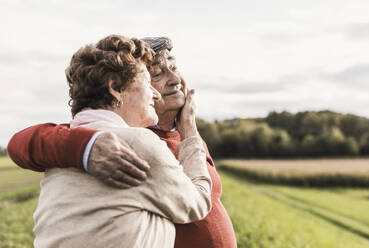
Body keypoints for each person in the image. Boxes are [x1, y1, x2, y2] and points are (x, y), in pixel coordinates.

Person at [7, 36, 237, 248]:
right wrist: (86, 147)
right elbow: (21, 143)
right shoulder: (119, 140)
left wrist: (189, 131)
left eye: (174, 68)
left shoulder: (185, 134)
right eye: (154, 75)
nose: (175, 80)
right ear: (117, 88)